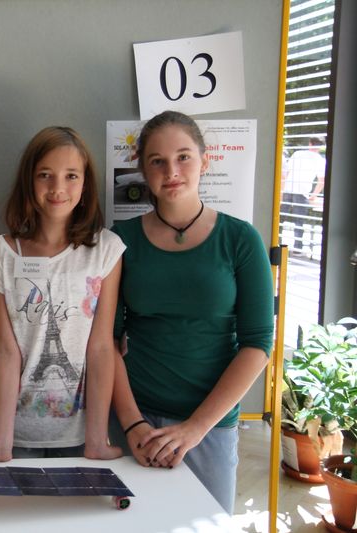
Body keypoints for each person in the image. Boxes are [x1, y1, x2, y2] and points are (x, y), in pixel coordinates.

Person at [110, 110, 274, 514]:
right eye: (157, 161)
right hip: (135, 420)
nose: (171, 171)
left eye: (183, 157)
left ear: (205, 160)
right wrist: (132, 423)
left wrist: (195, 428)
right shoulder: (121, 240)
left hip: (209, 427)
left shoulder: (241, 239)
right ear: (143, 170)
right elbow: (106, 342)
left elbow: (258, 345)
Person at [0, 126, 124, 462]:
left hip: (80, 436)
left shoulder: (106, 250)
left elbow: (100, 347)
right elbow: (5, 349)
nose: (57, 188)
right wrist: (1, 444)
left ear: (85, 184)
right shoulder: (0, 252)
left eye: (71, 176)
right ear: (29, 181)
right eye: (45, 175)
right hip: (15, 434)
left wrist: (96, 440)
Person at [280, 137, 326, 253]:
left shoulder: (298, 154)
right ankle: (297, 248)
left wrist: (282, 190)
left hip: (288, 189)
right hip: (302, 191)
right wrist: (314, 195)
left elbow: (286, 173)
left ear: (310, 144)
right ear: (320, 146)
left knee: (280, 219)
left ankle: (276, 244)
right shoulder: (320, 160)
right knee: (299, 221)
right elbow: (321, 181)